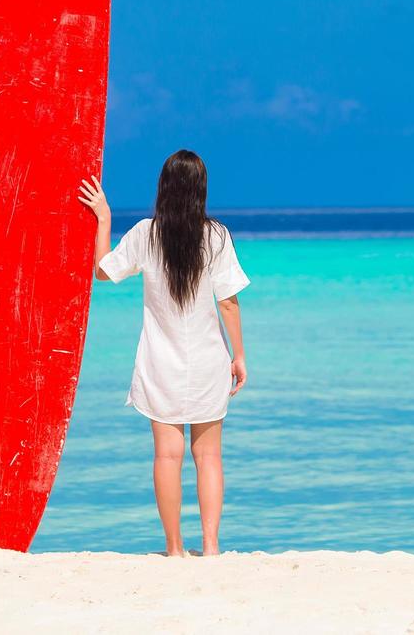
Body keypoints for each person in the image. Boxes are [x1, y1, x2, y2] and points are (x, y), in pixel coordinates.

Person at [77, 149, 249, 557]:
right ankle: (210, 548)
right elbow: (228, 302)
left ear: (164, 189)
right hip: (207, 361)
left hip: (160, 363)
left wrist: (103, 218)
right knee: (208, 457)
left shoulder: (145, 234)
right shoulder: (217, 236)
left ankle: (174, 549)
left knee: (167, 457)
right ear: (200, 191)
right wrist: (239, 355)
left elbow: (102, 271)